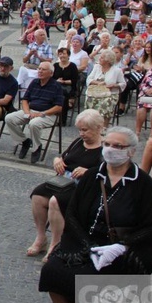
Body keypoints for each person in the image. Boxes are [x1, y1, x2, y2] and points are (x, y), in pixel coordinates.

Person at [39, 127, 152, 303]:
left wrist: (120, 247)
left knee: (81, 280)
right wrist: (86, 244)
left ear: (131, 151)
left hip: (121, 248)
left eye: (118, 146)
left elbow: (151, 227)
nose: (110, 149)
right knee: (51, 272)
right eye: (107, 144)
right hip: (85, 241)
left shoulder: (142, 183)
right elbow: (72, 214)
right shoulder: (91, 176)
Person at [27, 109, 104, 261]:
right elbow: (63, 157)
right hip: (64, 182)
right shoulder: (78, 142)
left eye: (85, 130)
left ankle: (56, 245)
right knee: (38, 195)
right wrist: (57, 161)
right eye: (80, 129)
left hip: (85, 188)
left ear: (98, 128)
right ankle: (41, 237)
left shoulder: (104, 149)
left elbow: (107, 172)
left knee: (55, 201)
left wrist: (88, 171)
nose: (81, 133)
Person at [5, 62, 63, 164]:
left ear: (51, 73)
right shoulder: (34, 82)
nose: (40, 71)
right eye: (39, 69)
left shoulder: (56, 86)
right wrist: (27, 112)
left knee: (34, 124)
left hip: (48, 114)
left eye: (43, 69)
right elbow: (25, 100)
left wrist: (42, 113)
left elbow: (58, 107)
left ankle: (36, 148)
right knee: (9, 118)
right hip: (31, 111)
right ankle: (24, 141)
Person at [84, 49, 126, 127]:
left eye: (102, 58)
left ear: (108, 60)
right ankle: (92, 125)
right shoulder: (96, 67)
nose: (99, 58)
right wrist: (98, 83)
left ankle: (103, 127)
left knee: (105, 103)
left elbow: (123, 84)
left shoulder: (117, 71)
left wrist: (114, 85)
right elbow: (89, 79)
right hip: (95, 92)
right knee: (89, 99)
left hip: (110, 94)